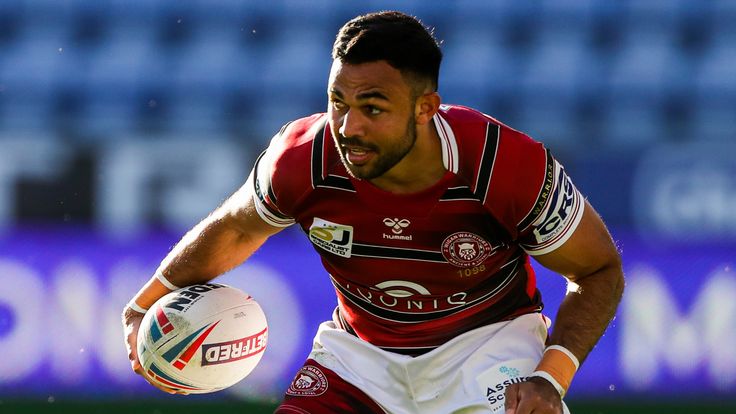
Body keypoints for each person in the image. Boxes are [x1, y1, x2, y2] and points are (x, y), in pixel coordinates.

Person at [122, 11, 624, 414]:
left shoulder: (503, 166)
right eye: (337, 101)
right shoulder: (302, 159)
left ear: (427, 108)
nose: (348, 126)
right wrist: (146, 304)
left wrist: (549, 377)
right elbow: (236, 229)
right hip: (358, 359)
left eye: (373, 107)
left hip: (489, 352)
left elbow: (598, 269)